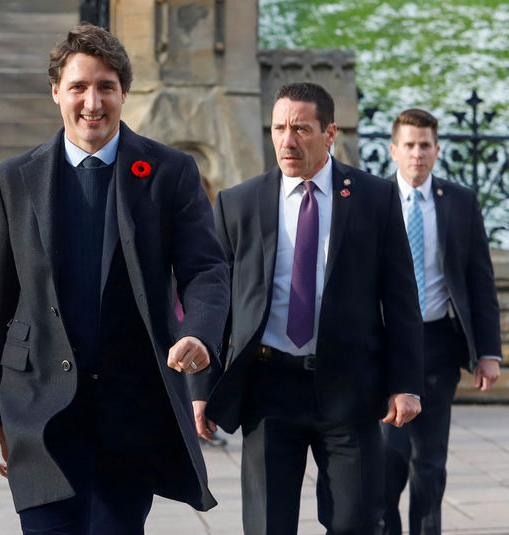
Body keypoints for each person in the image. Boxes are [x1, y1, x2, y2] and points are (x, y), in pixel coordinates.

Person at [0, 23, 230, 534]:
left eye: (106, 86)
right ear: (56, 93)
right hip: (38, 406)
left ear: (124, 93)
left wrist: (198, 331)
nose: (93, 102)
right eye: (79, 87)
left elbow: (206, 268)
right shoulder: (15, 178)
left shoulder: (170, 171)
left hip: (130, 408)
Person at [194, 82, 425, 534]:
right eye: (279, 127)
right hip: (268, 388)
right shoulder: (239, 203)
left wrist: (405, 383)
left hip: (349, 391)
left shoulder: (373, 199)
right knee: (267, 525)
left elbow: (400, 300)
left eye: (300, 128)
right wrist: (201, 388)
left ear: (330, 132)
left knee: (355, 522)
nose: (287, 140)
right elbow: (215, 300)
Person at [381, 108, 503, 535]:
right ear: (394, 150)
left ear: (437, 150)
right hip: (384, 349)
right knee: (387, 461)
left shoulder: (460, 202)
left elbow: (479, 281)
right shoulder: (372, 199)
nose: (417, 153)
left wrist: (488, 352)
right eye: (409, 145)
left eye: (426, 145)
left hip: (437, 345)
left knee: (429, 463)